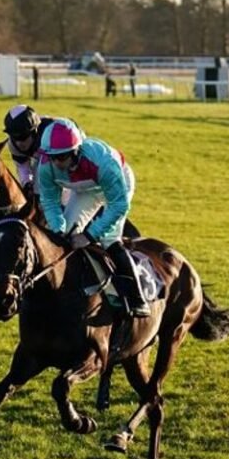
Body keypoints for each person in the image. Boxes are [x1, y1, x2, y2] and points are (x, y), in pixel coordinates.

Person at [35, 118, 149, 317]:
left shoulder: (102, 162)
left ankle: (137, 297)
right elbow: (50, 202)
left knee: (108, 239)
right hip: (85, 190)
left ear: (76, 151)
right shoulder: (46, 166)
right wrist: (58, 226)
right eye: (52, 157)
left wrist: (89, 236)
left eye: (61, 157)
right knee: (64, 236)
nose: (56, 163)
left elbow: (119, 206)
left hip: (117, 184)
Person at [3, 104, 53, 193]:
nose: (19, 143)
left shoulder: (50, 134)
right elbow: (22, 166)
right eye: (15, 138)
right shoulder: (12, 144)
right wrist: (27, 183)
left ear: (34, 131)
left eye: (23, 137)